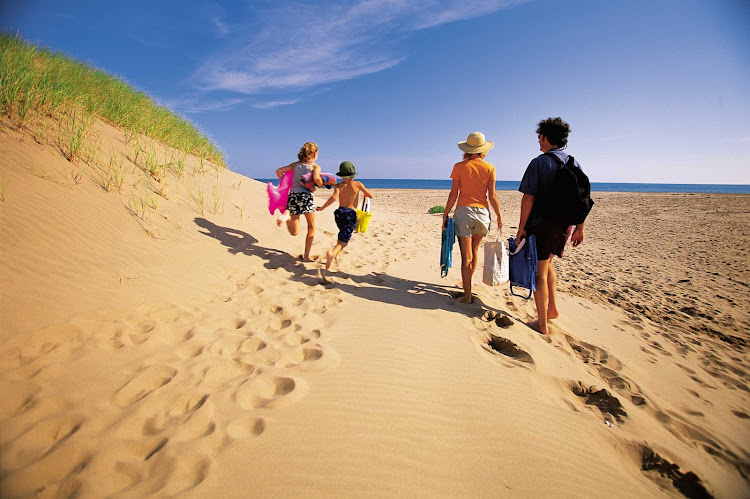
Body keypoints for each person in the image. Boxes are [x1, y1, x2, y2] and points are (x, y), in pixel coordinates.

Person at [516, 117, 586, 334]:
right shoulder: (574, 162)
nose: (538, 141)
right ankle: (553, 308)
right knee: (547, 265)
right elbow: (582, 197)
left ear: (546, 137)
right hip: (564, 226)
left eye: (540, 137)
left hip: (542, 225)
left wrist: (521, 228)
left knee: (539, 273)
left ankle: (542, 324)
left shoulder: (539, 162)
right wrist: (579, 228)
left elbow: (528, 198)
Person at [442, 132, 503, 303]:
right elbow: (493, 196)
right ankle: (467, 284)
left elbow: (454, 193)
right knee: (474, 252)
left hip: (464, 212)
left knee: (466, 256)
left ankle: (467, 295)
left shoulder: (459, 166)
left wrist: (446, 213)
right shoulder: (490, 168)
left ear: (467, 149)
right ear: (483, 150)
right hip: (483, 214)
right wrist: (499, 216)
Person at [317, 161, 373, 276]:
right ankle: (332, 254)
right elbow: (370, 195)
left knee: (342, 233)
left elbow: (333, 198)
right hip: (350, 214)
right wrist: (364, 195)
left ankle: (337, 255)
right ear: (353, 175)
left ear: (341, 175)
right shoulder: (357, 184)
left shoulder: (338, 186)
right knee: (344, 241)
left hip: (339, 213)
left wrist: (322, 208)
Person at [275, 142, 323, 261]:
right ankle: (306, 256)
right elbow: (316, 178)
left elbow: (279, 171)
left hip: (294, 196)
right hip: (306, 197)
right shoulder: (315, 166)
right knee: (311, 227)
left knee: (294, 232)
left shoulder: (295, 165)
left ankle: (287, 216)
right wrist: (321, 184)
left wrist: (285, 182)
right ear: (315, 153)